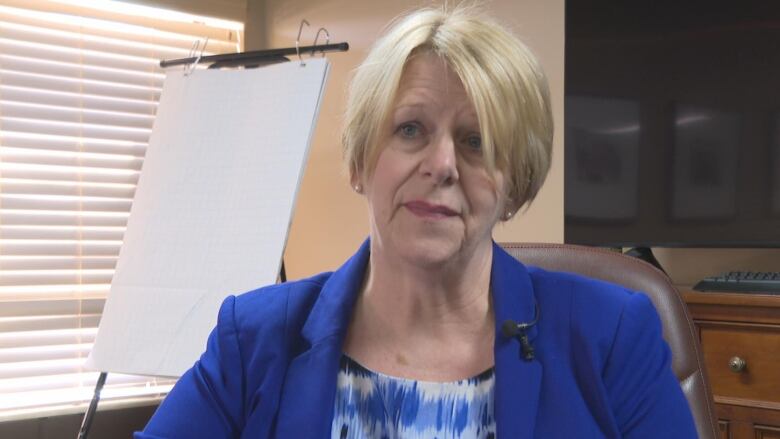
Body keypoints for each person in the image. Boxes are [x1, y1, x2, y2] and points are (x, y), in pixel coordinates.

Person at [137, 5, 697, 438]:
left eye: (477, 141)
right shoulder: (254, 339)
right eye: (410, 129)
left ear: (514, 184)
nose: (443, 165)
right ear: (360, 162)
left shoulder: (612, 336)